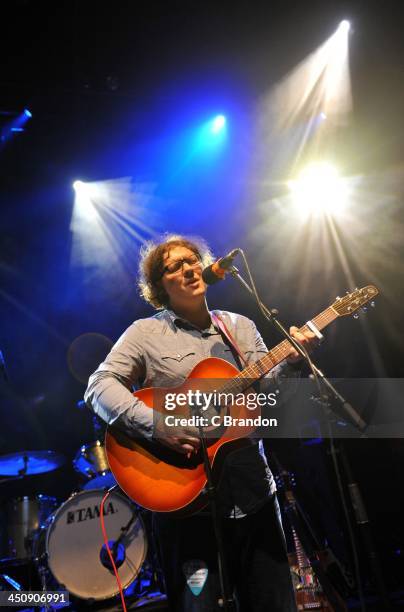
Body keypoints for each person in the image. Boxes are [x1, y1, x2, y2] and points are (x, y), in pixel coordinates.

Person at [84, 234, 317, 611]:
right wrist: (158, 425)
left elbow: (274, 401)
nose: (188, 268)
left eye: (192, 260)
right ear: (160, 285)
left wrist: (293, 362)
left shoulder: (239, 327)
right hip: (187, 505)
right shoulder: (145, 334)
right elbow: (98, 387)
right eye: (174, 266)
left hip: (254, 493)